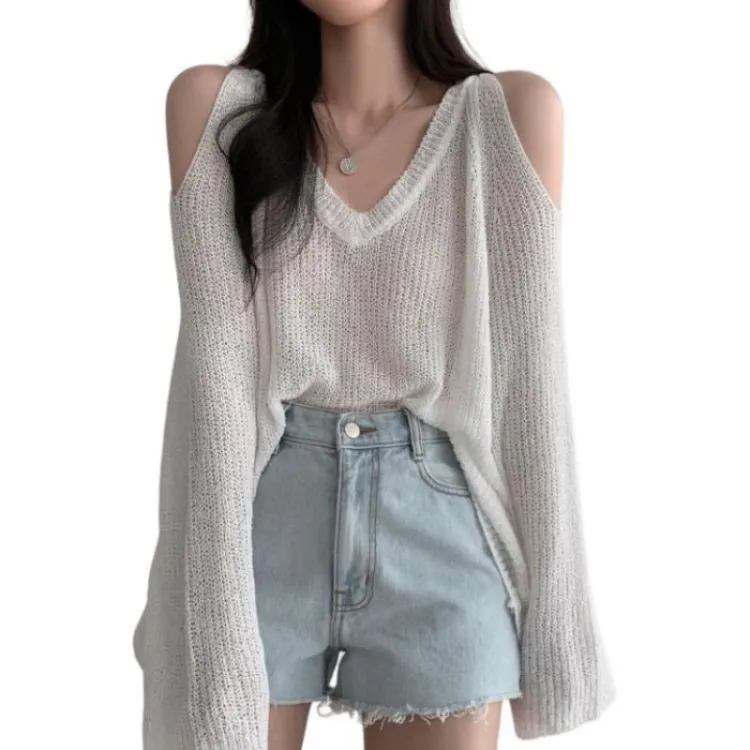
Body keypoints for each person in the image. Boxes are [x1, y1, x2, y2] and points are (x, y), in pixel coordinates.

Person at [131, 1, 617, 749]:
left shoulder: (507, 118)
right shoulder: (217, 112)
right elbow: (216, 392)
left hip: (442, 533)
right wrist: (210, 619)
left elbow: (530, 393)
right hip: (257, 524)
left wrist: (559, 634)